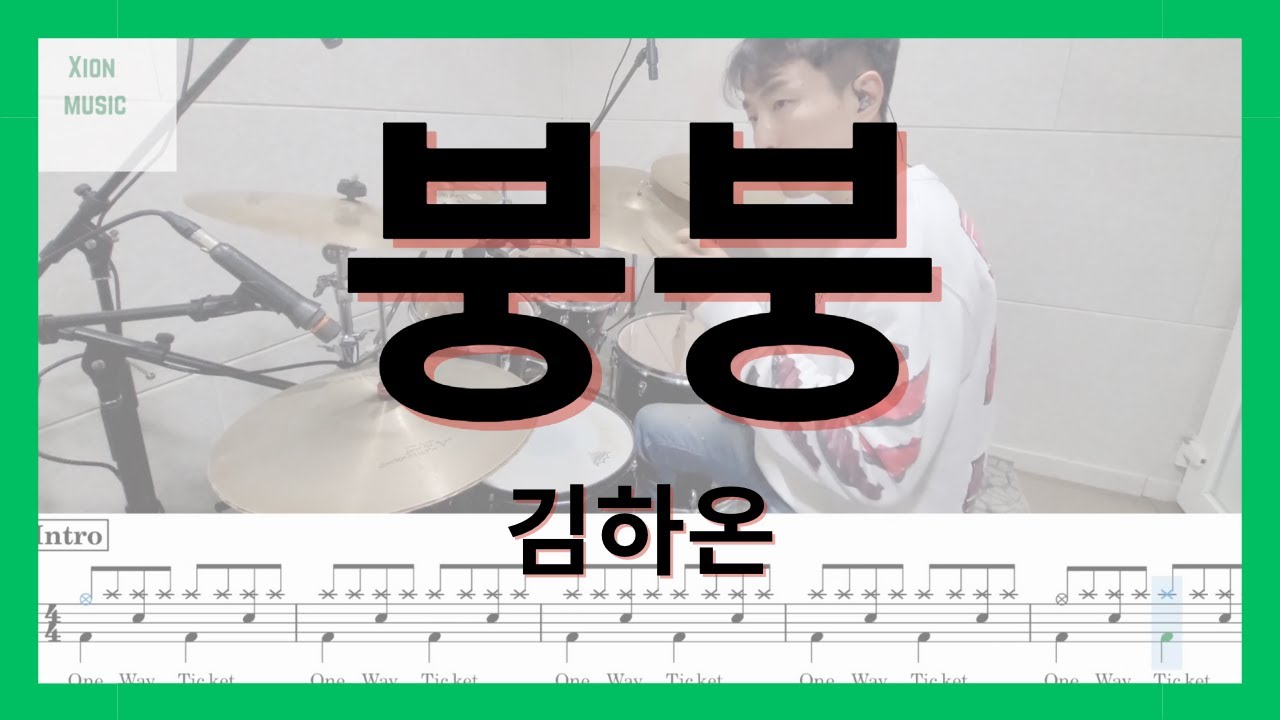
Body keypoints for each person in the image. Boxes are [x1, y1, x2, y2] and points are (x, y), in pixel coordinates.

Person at [633, 39, 998, 513]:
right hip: (793, 467)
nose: (763, 140)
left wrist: (724, 306)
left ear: (864, 97)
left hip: (832, 512)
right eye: (754, 115)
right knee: (649, 425)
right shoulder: (885, 206)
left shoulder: (916, 249)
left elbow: (876, 469)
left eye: (782, 103)